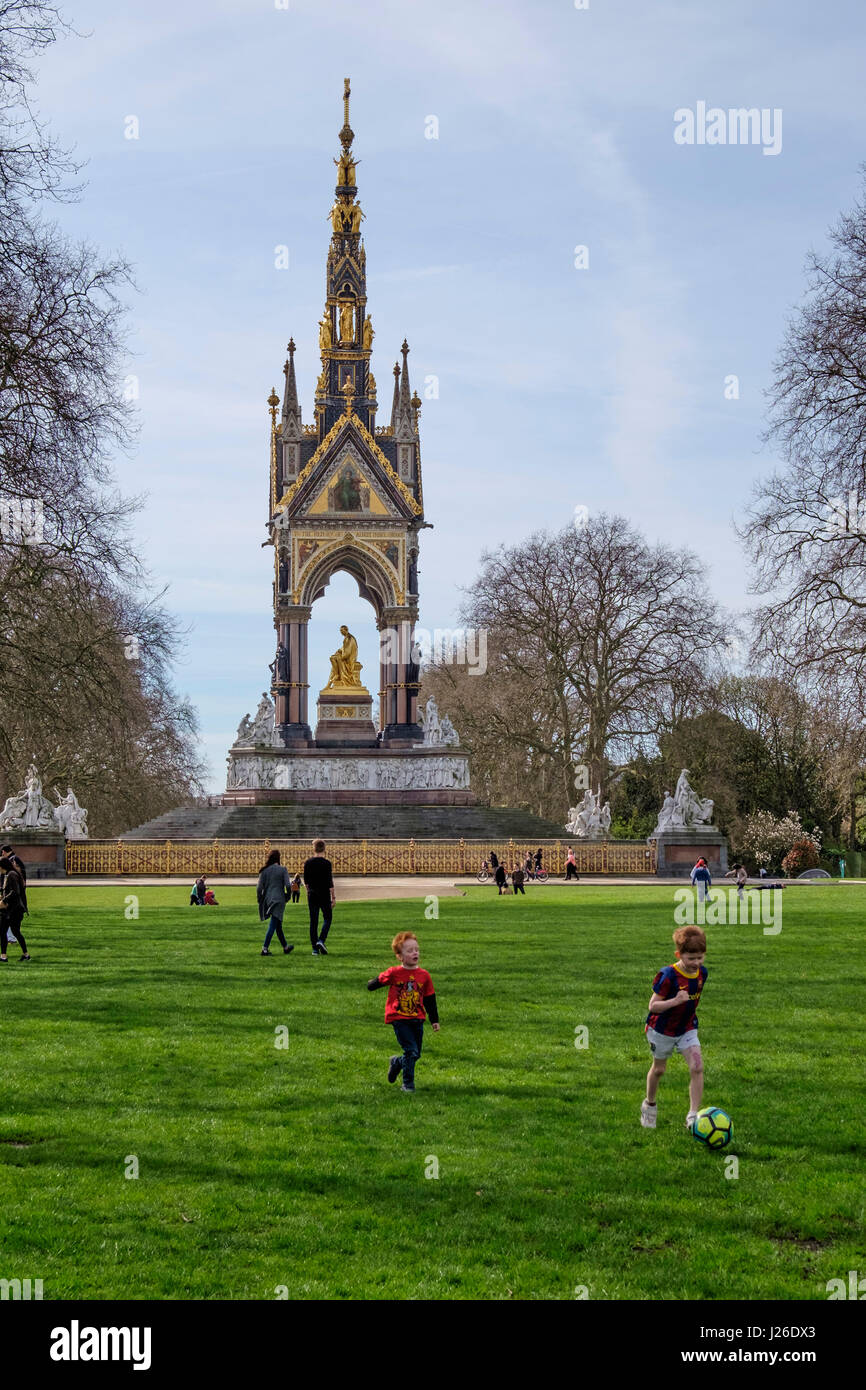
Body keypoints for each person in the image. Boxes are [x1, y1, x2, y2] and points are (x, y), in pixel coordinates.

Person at [640, 925, 708, 1132]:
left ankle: (693, 1115)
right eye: (691, 958)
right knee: (659, 1069)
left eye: (700, 957)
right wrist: (674, 1001)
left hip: (687, 1027)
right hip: (661, 1030)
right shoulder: (668, 975)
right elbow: (653, 1006)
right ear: (679, 954)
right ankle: (649, 1105)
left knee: (697, 1067)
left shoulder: (702, 973)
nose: (696, 963)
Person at [366, 930, 439, 1093]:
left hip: (417, 1018)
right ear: (400, 956)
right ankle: (407, 1084)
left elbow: (429, 999)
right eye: (410, 950)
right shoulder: (394, 973)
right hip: (399, 1018)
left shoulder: (424, 976)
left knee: (416, 1054)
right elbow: (380, 980)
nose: (415, 953)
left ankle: (397, 1062)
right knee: (411, 1051)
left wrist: (434, 1020)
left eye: (417, 949)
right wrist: (372, 984)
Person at [257, 850, 295, 957]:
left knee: (278, 925)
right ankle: (264, 948)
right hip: (279, 899)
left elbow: (259, 888)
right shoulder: (282, 870)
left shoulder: (264, 871)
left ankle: (285, 947)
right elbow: (288, 885)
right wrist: (287, 896)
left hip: (268, 899)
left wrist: (260, 899)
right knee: (273, 924)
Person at [304, 838, 335, 955]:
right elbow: (329, 882)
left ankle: (314, 949)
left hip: (312, 894)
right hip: (324, 894)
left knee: (314, 921)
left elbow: (306, 881)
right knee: (327, 918)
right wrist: (334, 897)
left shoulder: (308, 863)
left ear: (314, 849)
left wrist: (309, 891)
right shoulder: (327, 863)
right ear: (324, 849)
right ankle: (321, 939)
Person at [0, 853, 30, 962]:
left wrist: (3, 900)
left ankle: (4, 956)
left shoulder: (12, 874)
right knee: (12, 931)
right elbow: (8, 890)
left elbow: (14, 892)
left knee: (6, 931)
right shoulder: (9, 874)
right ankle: (25, 955)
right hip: (12, 909)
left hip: (13, 909)